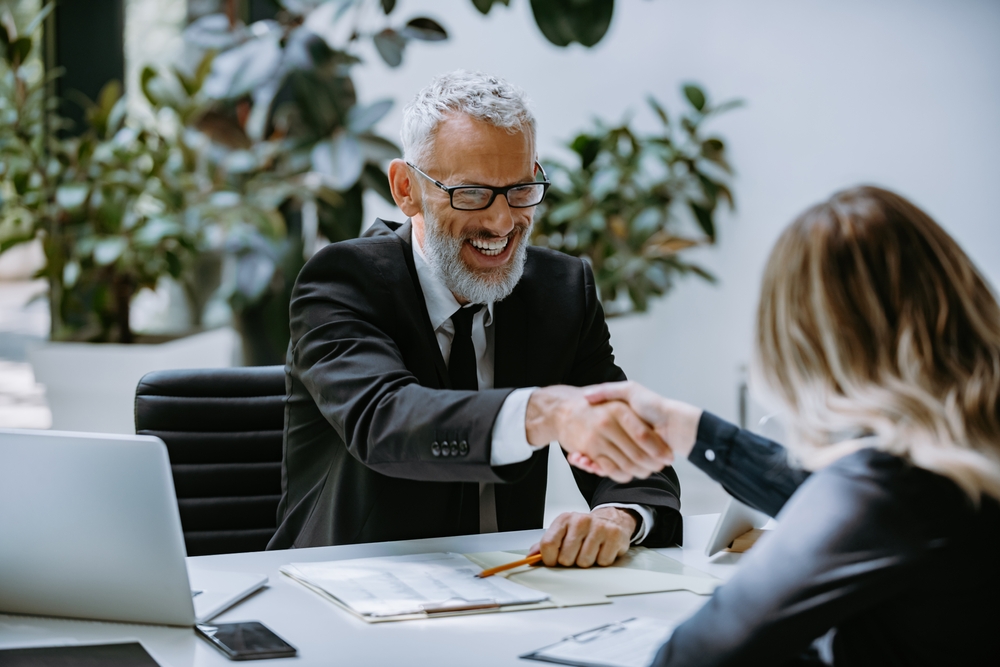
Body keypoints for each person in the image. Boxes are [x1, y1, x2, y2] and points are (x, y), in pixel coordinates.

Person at [268, 71, 683, 567]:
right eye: (471, 194)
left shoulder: (561, 291)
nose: (502, 222)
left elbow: (622, 440)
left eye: (520, 190)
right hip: (352, 587)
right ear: (407, 189)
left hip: (510, 589)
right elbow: (387, 421)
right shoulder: (343, 282)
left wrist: (619, 517)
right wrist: (543, 412)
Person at [581, 186, 1000, 665]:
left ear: (804, 340)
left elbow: (694, 655)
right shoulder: (959, 449)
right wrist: (690, 430)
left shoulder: (885, 488)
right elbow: (832, 497)